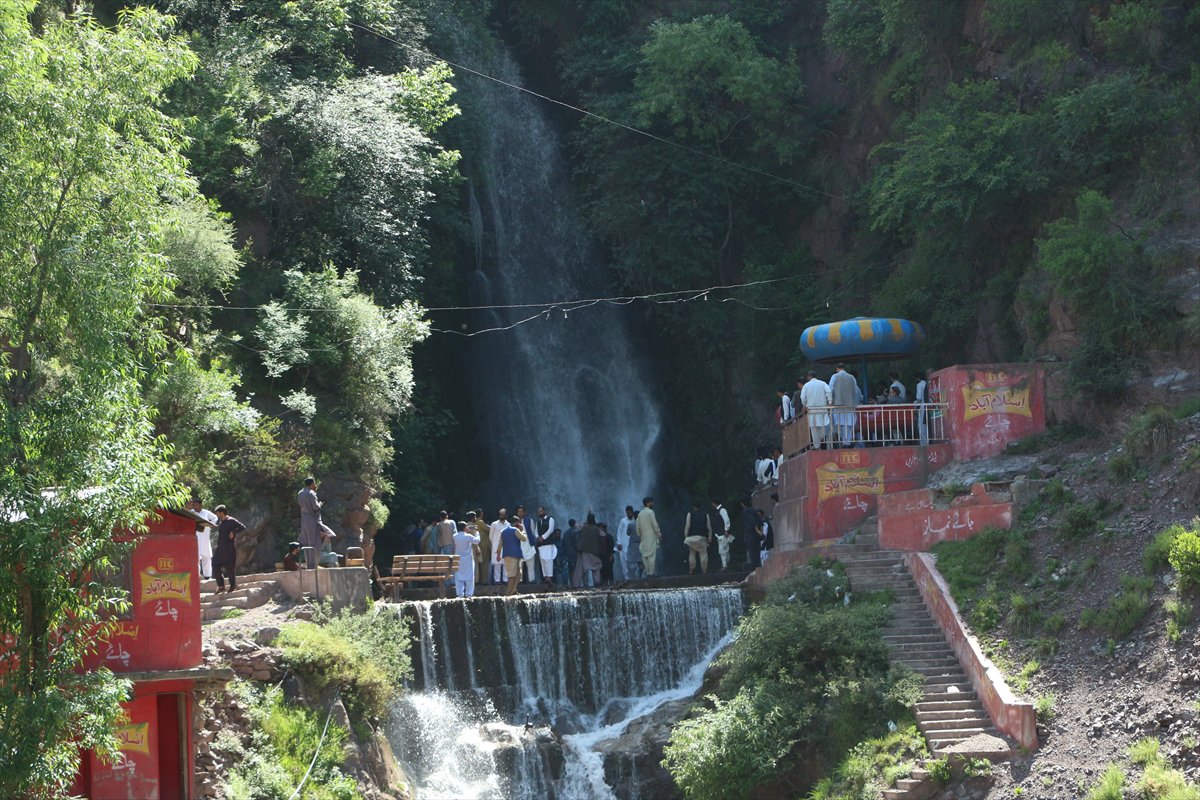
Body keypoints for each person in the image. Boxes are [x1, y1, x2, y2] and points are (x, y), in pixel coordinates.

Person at [297, 477, 335, 569]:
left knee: (307, 543)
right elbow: (316, 508)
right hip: (313, 521)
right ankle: (313, 565)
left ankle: (308, 563)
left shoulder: (300, 493)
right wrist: (320, 504)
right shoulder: (311, 493)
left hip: (304, 521)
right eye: (314, 483)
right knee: (315, 543)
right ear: (312, 484)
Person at [212, 505, 246, 594]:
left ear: (222, 513)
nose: (217, 515)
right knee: (215, 564)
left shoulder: (231, 520)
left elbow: (242, 527)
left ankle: (233, 586)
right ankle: (221, 586)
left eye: (218, 513)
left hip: (229, 548)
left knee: (230, 568)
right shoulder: (221, 522)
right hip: (220, 549)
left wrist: (233, 532)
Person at [800, 371, 833, 450]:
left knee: (814, 429)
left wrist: (805, 404)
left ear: (809, 377)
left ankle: (817, 446)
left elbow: (802, 397)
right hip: (822, 409)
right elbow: (829, 391)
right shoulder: (823, 383)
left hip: (812, 410)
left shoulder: (806, 385)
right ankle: (821, 441)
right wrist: (829, 402)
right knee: (823, 427)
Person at [495, 516, 527, 597]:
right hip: (515, 555)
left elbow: (500, 544)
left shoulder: (503, 531)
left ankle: (513, 590)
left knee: (517, 573)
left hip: (507, 555)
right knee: (513, 574)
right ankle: (509, 593)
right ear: (516, 523)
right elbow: (524, 538)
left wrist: (498, 555)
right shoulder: (516, 530)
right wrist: (522, 530)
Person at [829, 363, 859, 448]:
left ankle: (842, 441)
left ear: (837, 369)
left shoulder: (834, 376)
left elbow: (830, 390)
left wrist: (830, 401)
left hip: (838, 405)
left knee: (839, 424)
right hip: (850, 405)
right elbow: (855, 391)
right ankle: (847, 442)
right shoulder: (852, 377)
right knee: (849, 424)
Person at [190, 497, 218, 580]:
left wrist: (210, 524)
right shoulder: (191, 513)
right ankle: (197, 575)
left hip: (205, 537)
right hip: (195, 537)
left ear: (200, 505)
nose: (196, 506)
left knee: (207, 556)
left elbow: (215, 518)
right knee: (196, 557)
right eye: (194, 505)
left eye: (197, 505)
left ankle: (207, 576)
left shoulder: (206, 512)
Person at [453, 520, 480, 598]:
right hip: (468, 559)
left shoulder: (455, 536)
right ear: (465, 528)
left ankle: (460, 594)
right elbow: (477, 541)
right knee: (470, 577)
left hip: (458, 559)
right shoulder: (468, 536)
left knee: (458, 576)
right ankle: (469, 594)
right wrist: (476, 532)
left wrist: (467, 530)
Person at [683, 502, 712, 575]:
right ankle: (704, 570)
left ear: (693, 507)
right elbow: (709, 527)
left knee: (692, 554)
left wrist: (686, 536)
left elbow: (687, 526)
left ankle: (692, 569)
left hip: (692, 537)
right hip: (702, 537)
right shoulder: (706, 514)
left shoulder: (690, 514)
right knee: (703, 554)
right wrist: (710, 537)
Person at [637, 497, 662, 578]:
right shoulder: (650, 512)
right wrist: (659, 534)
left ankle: (647, 573)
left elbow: (637, 528)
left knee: (644, 555)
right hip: (651, 537)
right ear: (648, 503)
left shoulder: (640, 514)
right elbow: (655, 525)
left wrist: (640, 535)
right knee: (651, 556)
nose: (653, 504)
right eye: (652, 502)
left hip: (643, 538)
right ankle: (651, 573)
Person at [575, 513, 602, 587]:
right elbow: (603, 535)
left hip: (583, 550)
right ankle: (597, 582)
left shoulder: (583, 527)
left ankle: (576, 584)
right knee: (596, 567)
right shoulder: (597, 529)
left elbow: (575, 525)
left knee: (580, 568)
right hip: (594, 550)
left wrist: (585, 522)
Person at [534, 506, 559, 586]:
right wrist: (537, 537)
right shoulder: (538, 521)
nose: (540, 513)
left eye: (541, 511)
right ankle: (545, 577)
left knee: (549, 560)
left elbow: (550, 530)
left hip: (548, 543)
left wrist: (543, 537)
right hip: (541, 544)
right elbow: (535, 531)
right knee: (543, 561)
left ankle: (549, 577)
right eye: (538, 512)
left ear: (544, 511)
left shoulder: (550, 519)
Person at [515, 505, 538, 583]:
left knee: (530, 566)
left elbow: (532, 533)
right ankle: (519, 582)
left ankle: (532, 581)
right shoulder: (515, 522)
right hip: (519, 547)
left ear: (524, 512)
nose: (520, 513)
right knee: (519, 567)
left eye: (522, 511)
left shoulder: (530, 520)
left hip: (529, 546)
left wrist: (533, 543)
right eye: (519, 511)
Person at [614, 505, 636, 582]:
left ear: (632, 512)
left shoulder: (635, 521)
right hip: (624, 544)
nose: (629, 514)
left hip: (633, 544)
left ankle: (635, 577)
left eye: (630, 513)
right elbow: (619, 532)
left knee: (633, 560)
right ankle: (626, 578)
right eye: (628, 513)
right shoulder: (623, 521)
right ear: (626, 513)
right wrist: (619, 543)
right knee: (624, 561)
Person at [710, 498, 733, 571]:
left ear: (714, 503)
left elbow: (726, 520)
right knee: (724, 549)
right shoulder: (717, 511)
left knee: (722, 550)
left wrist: (726, 530)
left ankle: (725, 565)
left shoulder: (722, 510)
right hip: (719, 533)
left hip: (723, 533)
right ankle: (727, 563)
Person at [489, 508, 510, 585]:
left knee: (505, 565)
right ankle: (497, 581)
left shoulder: (508, 525)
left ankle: (505, 580)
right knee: (497, 566)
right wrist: (495, 545)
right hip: (496, 547)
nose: (501, 516)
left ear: (506, 515)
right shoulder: (494, 524)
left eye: (503, 514)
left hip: (505, 547)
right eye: (500, 514)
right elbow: (491, 536)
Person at [469, 511, 490, 584]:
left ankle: (478, 580)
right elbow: (489, 529)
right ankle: (482, 581)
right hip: (479, 546)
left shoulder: (467, 525)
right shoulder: (478, 523)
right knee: (483, 563)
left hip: (472, 547)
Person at [739, 498, 761, 569]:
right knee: (757, 551)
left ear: (742, 504)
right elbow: (759, 521)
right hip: (756, 534)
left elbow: (752, 521)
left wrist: (756, 529)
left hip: (750, 533)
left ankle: (755, 567)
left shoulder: (745, 511)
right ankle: (757, 566)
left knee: (752, 551)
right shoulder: (753, 510)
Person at [558, 518, 579, 587]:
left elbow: (563, 543)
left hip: (567, 554)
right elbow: (577, 542)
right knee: (575, 569)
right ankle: (575, 584)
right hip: (574, 554)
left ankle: (571, 583)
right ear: (574, 524)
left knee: (570, 569)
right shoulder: (575, 532)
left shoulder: (565, 533)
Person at [625, 513, 643, 580]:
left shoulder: (631, 524)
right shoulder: (643, 524)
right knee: (641, 560)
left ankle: (633, 578)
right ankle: (640, 576)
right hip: (641, 544)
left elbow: (628, 533)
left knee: (632, 561)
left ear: (633, 516)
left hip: (633, 545)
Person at [914, 371, 929, 445]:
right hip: (928, 406)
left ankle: (923, 443)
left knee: (921, 426)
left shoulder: (919, 385)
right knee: (927, 425)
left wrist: (916, 408)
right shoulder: (927, 383)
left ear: (918, 378)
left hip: (922, 407)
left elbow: (919, 398)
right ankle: (928, 442)